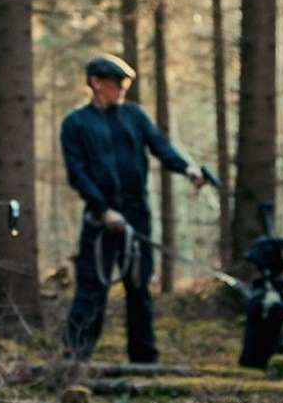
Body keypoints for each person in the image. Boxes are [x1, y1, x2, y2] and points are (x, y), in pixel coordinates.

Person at [60, 54, 206, 363]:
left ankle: (144, 359)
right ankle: (75, 357)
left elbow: (160, 147)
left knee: (139, 288)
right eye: (116, 84)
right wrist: (103, 210)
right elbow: (77, 174)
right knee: (92, 288)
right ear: (96, 83)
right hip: (100, 219)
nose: (121, 90)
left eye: (125, 85)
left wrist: (187, 168)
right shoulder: (75, 123)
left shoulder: (134, 116)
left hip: (137, 213)